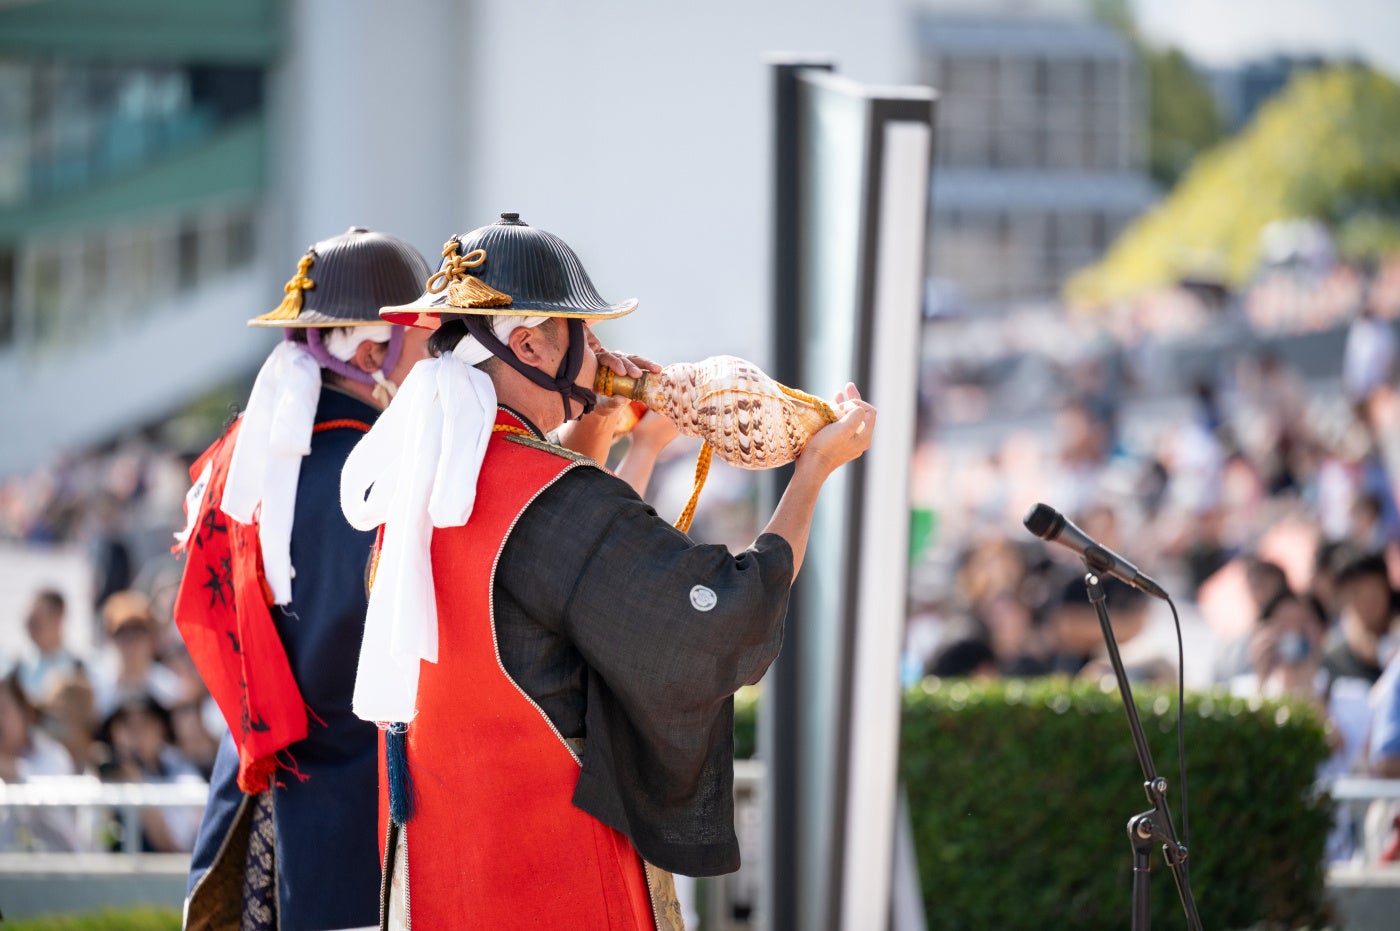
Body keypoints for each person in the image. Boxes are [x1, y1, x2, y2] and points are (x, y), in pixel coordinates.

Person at [340, 214, 875, 929]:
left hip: (442, 858)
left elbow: (555, 563)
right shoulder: (548, 495)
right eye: (583, 333)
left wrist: (624, 441)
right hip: (545, 868)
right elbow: (718, 617)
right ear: (528, 343)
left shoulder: (426, 479)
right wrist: (813, 471)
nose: (599, 351)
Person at [177, 228, 435, 931]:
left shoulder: (249, 459)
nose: (435, 358)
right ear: (375, 348)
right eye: (426, 335)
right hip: (350, 823)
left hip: (252, 793)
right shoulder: (373, 476)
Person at [91, 590, 181, 717]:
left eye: (138, 634)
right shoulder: (95, 688)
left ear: (152, 639)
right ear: (110, 639)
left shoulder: (170, 690)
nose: (130, 644)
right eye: (122, 634)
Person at [15, 589, 80, 704]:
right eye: (29, 621)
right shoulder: (17, 669)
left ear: (58, 618)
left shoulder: (81, 668)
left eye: (36, 622)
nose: (30, 627)